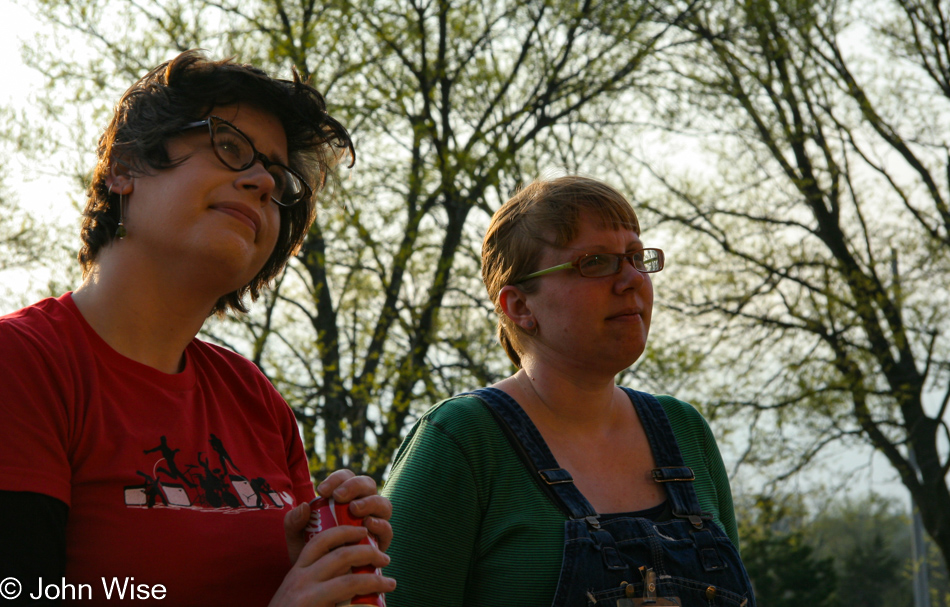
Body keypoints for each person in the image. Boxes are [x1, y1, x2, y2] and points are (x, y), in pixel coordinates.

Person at [0, 51, 395, 606]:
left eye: (279, 179)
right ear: (126, 167)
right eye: (230, 147)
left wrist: (319, 561)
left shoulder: (256, 399)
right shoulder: (22, 363)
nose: (261, 181)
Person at [381, 176, 756, 606]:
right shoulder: (462, 441)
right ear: (519, 306)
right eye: (596, 262)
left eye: (636, 257)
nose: (631, 279)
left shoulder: (685, 431)